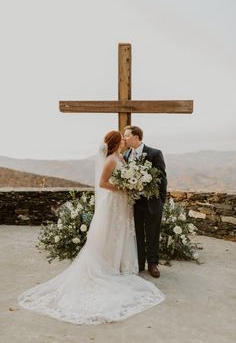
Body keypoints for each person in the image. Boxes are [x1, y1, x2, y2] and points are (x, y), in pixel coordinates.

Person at [18, 131, 164, 325]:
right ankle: (110, 265)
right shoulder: (112, 159)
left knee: (123, 233)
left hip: (124, 204)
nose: (124, 140)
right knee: (112, 233)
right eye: (122, 138)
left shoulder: (122, 156)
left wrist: (131, 185)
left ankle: (123, 264)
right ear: (115, 143)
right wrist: (123, 188)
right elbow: (103, 183)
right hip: (114, 201)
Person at [123, 126, 167, 278]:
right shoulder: (127, 154)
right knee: (137, 233)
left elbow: (162, 178)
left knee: (152, 233)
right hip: (135, 202)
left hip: (152, 201)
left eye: (127, 136)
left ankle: (153, 264)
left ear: (136, 137)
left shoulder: (154, 153)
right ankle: (140, 263)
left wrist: (161, 200)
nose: (125, 138)